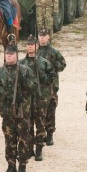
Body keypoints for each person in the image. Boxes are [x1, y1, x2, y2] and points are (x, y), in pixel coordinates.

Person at [0, 42, 35, 172]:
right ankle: (11, 165)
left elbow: (33, 87)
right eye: (7, 54)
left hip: (23, 111)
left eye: (11, 54)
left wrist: (23, 82)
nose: (9, 56)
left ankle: (22, 166)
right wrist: (9, 95)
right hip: (7, 111)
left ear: (17, 55)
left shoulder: (25, 70)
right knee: (9, 140)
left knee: (23, 139)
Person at [19, 34, 54, 162]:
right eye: (28, 45)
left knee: (40, 124)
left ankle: (39, 149)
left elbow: (52, 78)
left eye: (32, 45)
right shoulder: (21, 63)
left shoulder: (44, 63)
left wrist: (43, 76)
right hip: (27, 99)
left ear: (37, 46)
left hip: (41, 98)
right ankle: (29, 149)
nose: (30, 47)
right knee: (27, 124)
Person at [36, 27, 66, 146]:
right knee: (38, 111)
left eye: (44, 36)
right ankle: (40, 133)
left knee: (50, 110)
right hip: (37, 86)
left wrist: (52, 66)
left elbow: (63, 64)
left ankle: (50, 134)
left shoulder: (54, 52)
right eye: (40, 36)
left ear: (48, 37)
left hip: (51, 86)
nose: (42, 38)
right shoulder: (35, 50)